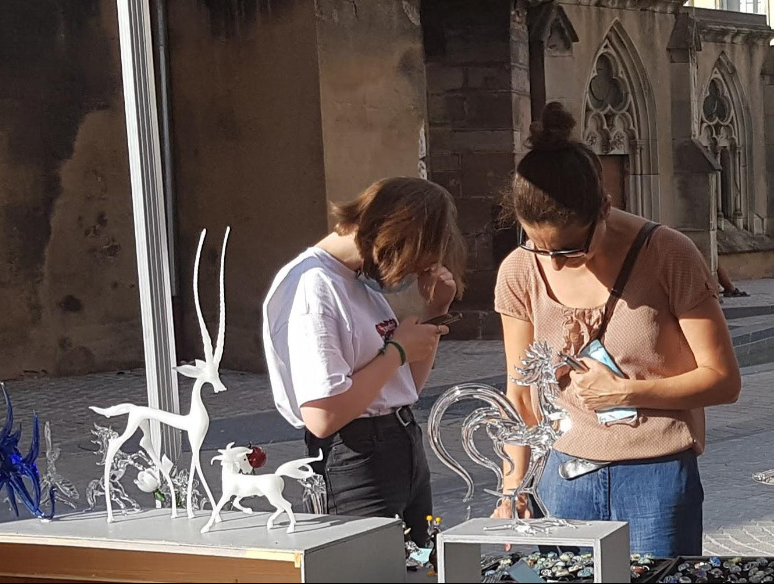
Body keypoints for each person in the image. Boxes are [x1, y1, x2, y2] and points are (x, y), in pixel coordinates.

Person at [491, 102, 741, 556]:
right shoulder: (520, 270)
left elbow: (723, 381)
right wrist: (513, 487)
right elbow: (521, 395)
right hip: (563, 477)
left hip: (656, 478)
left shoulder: (668, 254)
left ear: (605, 208)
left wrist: (626, 393)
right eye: (538, 246)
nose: (554, 263)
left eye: (568, 249)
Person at [263, 177, 466, 545]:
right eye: (414, 263)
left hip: (399, 442)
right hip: (355, 459)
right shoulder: (312, 286)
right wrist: (397, 351)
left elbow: (404, 388)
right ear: (396, 238)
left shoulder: (352, 280)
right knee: (372, 566)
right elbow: (322, 416)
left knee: (420, 566)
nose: (408, 276)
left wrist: (435, 311)